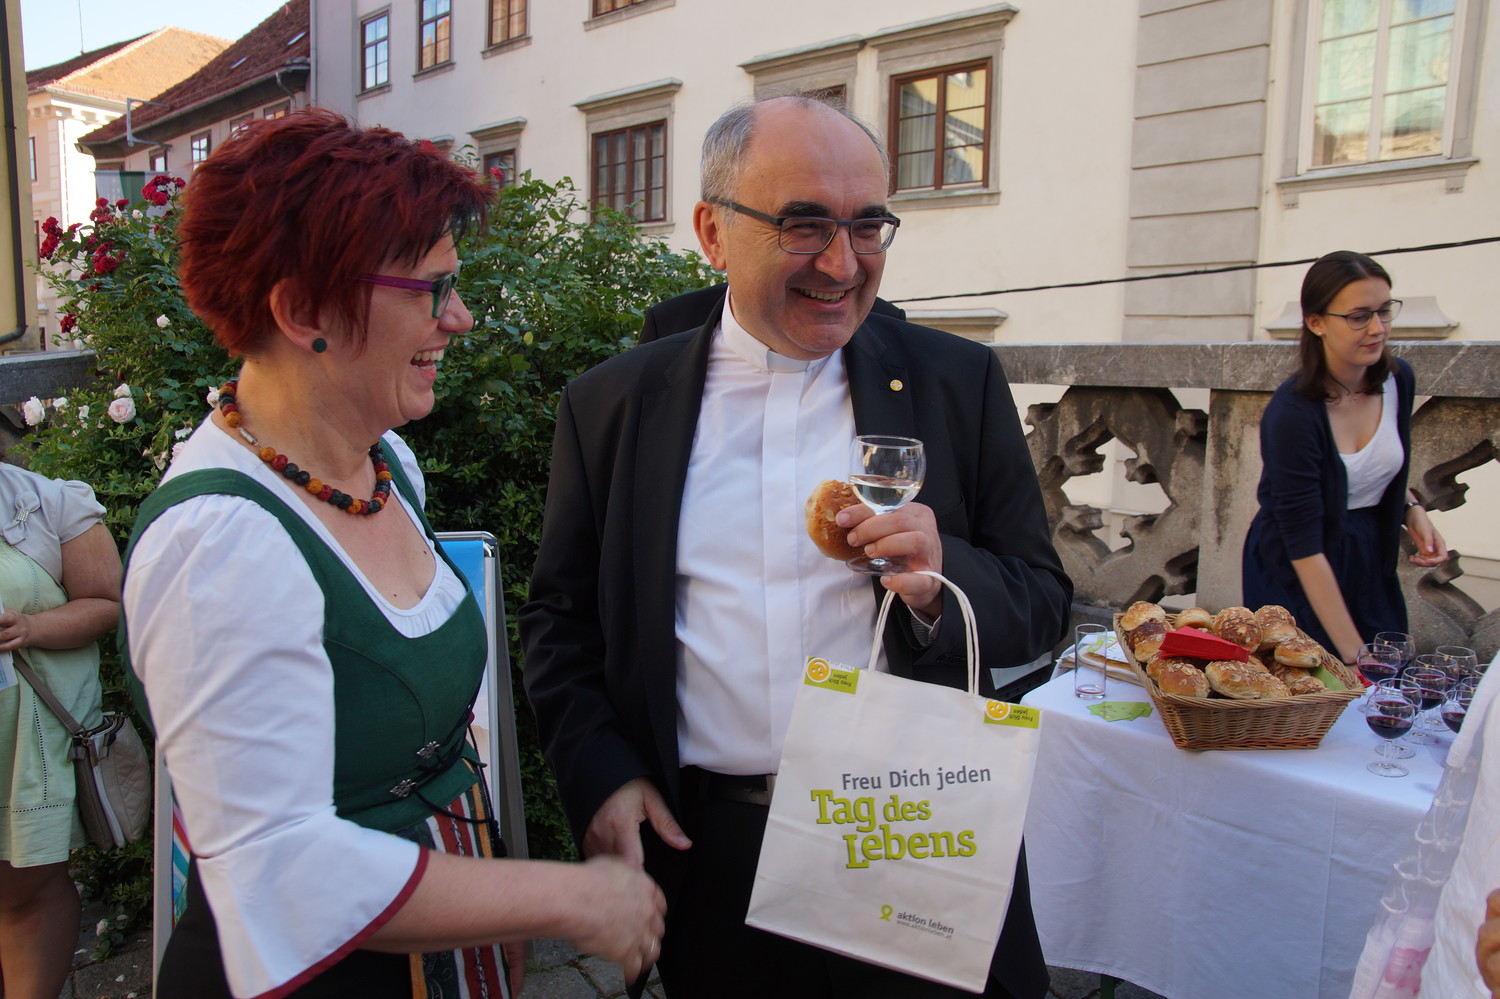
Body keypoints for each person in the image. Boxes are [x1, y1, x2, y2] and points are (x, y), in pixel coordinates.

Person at [520, 95, 1071, 999]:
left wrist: (943, 580)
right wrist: (601, 775)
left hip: (915, 830)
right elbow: (561, 619)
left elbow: (1042, 600)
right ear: (713, 232)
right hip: (717, 858)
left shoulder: (956, 379)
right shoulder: (612, 404)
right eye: (805, 225)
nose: (843, 263)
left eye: (867, 226)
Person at [120, 109, 664, 999]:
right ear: (303, 311)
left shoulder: (385, 467)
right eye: (432, 289)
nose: (461, 317)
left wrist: (490, 902)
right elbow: (279, 866)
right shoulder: (217, 545)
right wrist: (567, 896)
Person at [1242, 250, 1447, 664]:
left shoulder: (1398, 380)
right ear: (1316, 322)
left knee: (1386, 675)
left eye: (1384, 311)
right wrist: (1355, 656)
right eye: (1359, 317)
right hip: (1298, 565)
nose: (1377, 328)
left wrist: (1410, 508)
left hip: (1369, 556)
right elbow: (1303, 545)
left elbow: (1373, 467)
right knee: (1321, 678)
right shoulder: (1292, 413)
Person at [0, 464, 120, 999]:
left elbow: (108, 603)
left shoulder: (49, 503)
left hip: (24, 745)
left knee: (24, 890)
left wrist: (30, 628)